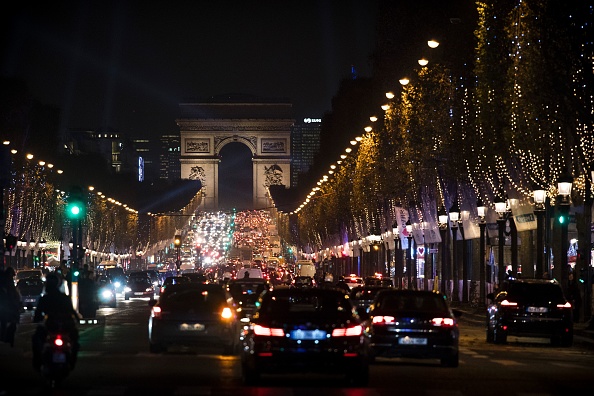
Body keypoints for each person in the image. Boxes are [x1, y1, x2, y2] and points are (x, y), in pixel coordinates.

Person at [32, 272, 80, 371]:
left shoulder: (45, 299)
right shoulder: (63, 298)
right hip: (59, 326)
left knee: (37, 339)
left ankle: (38, 361)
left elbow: (37, 315)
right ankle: (71, 360)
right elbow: (72, 311)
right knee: (75, 340)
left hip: (56, 326)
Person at [0, 267, 22, 347]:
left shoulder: (8, 283)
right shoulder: (6, 283)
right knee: (9, 323)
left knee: (7, 323)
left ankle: (5, 338)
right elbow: (13, 295)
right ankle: (6, 339)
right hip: (8, 306)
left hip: (8, 306)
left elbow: (14, 294)